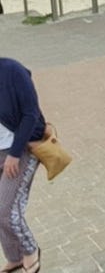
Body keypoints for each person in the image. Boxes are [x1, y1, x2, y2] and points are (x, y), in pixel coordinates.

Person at [0, 58, 44, 273]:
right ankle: (14, 256)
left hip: (21, 147)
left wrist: (15, 153)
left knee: (7, 210)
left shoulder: (12, 71)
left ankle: (30, 250)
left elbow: (31, 114)